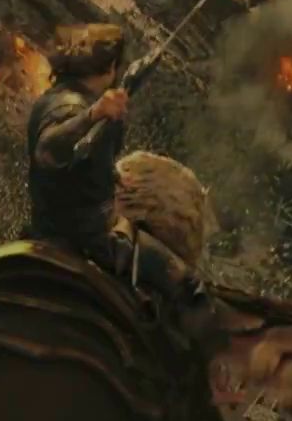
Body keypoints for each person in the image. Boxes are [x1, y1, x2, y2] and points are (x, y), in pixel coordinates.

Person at [25, 23, 205, 305]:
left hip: (53, 223)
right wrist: (94, 114)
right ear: (109, 68)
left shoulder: (57, 96)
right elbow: (48, 151)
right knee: (185, 282)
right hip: (90, 235)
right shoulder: (73, 107)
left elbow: (79, 164)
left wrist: (112, 176)